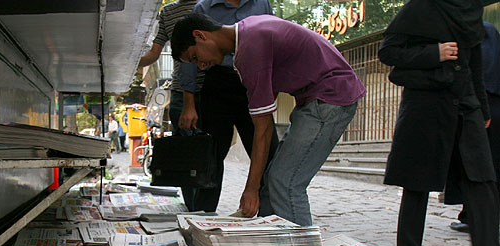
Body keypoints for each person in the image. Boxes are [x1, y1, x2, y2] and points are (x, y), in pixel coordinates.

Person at [171, 13, 365, 224]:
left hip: (330, 98)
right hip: (314, 100)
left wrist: (251, 190)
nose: (200, 65)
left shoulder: (250, 50)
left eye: (194, 57)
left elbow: (263, 130)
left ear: (200, 35)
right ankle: (267, 240)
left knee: (285, 183)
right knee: (273, 180)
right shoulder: (249, 30)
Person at [378, 0, 500, 246]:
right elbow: (388, 52)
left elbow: (475, 66)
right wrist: (435, 53)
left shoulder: (470, 12)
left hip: (465, 102)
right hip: (426, 102)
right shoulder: (420, 7)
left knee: (481, 175)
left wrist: (481, 107)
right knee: (417, 178)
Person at [178, 0, 280, 213]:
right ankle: (203, 216)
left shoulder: (261, 3)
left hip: (253, 81)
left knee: (269, 154)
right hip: (218, 84)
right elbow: (190, 62)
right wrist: (189, 104)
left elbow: (273, 43)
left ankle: (270, 214)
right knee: (211, 157)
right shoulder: (203, 8)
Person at [138, 0, 202, 210]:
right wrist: (126, 61)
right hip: (179, 91)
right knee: (185, 156)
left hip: (210, 89)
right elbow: (154, 53)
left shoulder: (209, 5)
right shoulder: (168, 11)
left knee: (209, 154)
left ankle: (206, 209)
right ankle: (194, 209)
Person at [449, 21, 500, 233]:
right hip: (492, 100)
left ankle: (474, 216)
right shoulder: (491, 32)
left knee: (476, 163)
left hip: (481, 103)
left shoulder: (478, 30)